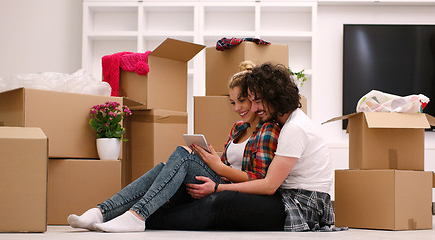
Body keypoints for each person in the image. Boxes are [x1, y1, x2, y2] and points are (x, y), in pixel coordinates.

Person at [67, 61, 280, 232]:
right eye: (233, 102)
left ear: (254, 99)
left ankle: (137, 215)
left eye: (243, 100)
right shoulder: (238, 128)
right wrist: (208, 156)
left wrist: (217, 167)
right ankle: (100, 212)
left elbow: (260, 178)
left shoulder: (267, 130)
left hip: (241, 193)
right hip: (221, 179)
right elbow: (225, 164)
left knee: (182, 156)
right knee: (168, 164)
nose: (238, 108)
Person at [148, 62, 338, 232]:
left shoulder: (294, 128)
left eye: (257, 101)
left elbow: (269, 185)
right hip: (285, 196)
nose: (253, 109)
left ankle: (152, 220)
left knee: (224, 202)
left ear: (275, 97)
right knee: (208, 195)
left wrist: (218, 187)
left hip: (303, 205)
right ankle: (145, 213)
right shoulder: (285, 124)